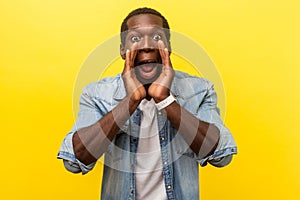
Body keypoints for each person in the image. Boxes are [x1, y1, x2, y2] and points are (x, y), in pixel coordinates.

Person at [57, 7, 237, 200]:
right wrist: (130, 102)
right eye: (134, 38)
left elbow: (221, 156)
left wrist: (165, 100)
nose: (146, 46)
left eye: (157, 37)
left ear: (169, 47)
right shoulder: (97, 95)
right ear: (122, 50)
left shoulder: (200, 91)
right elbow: (74, 161)